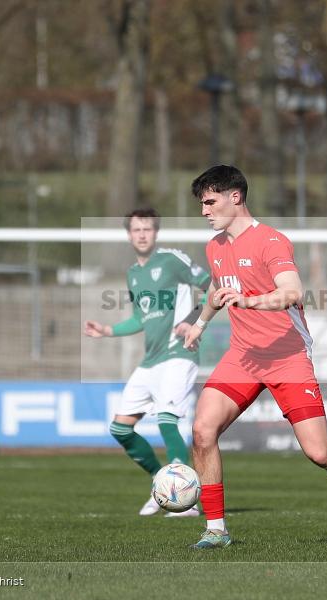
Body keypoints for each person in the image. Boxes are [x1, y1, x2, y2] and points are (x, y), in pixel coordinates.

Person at [182, 165, 327, 549]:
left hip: (287, 357)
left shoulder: (271, 241)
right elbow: (218, 288)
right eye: (202, 204)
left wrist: (249, 301)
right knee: (202, 430)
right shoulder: (215, 247)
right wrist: (199, 323)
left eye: (210, 202)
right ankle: (216, 530)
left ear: (235, 197)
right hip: (244, 356)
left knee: (320, 453)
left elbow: (292, 292)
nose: (204, 211)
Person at [84, 207, 211, 517]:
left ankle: (183, 503)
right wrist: (108, 331)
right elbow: (141, 318)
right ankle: (161, 484)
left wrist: (194, 320)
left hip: (179, 353)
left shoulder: (172, 259)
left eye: (147, 229)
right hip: (151, 360)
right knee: (120, 429)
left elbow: (213, 286)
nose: (142, 234)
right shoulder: (133, 274)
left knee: (167, 418)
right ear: (129, 235)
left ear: (156, 232)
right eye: (136, 230)